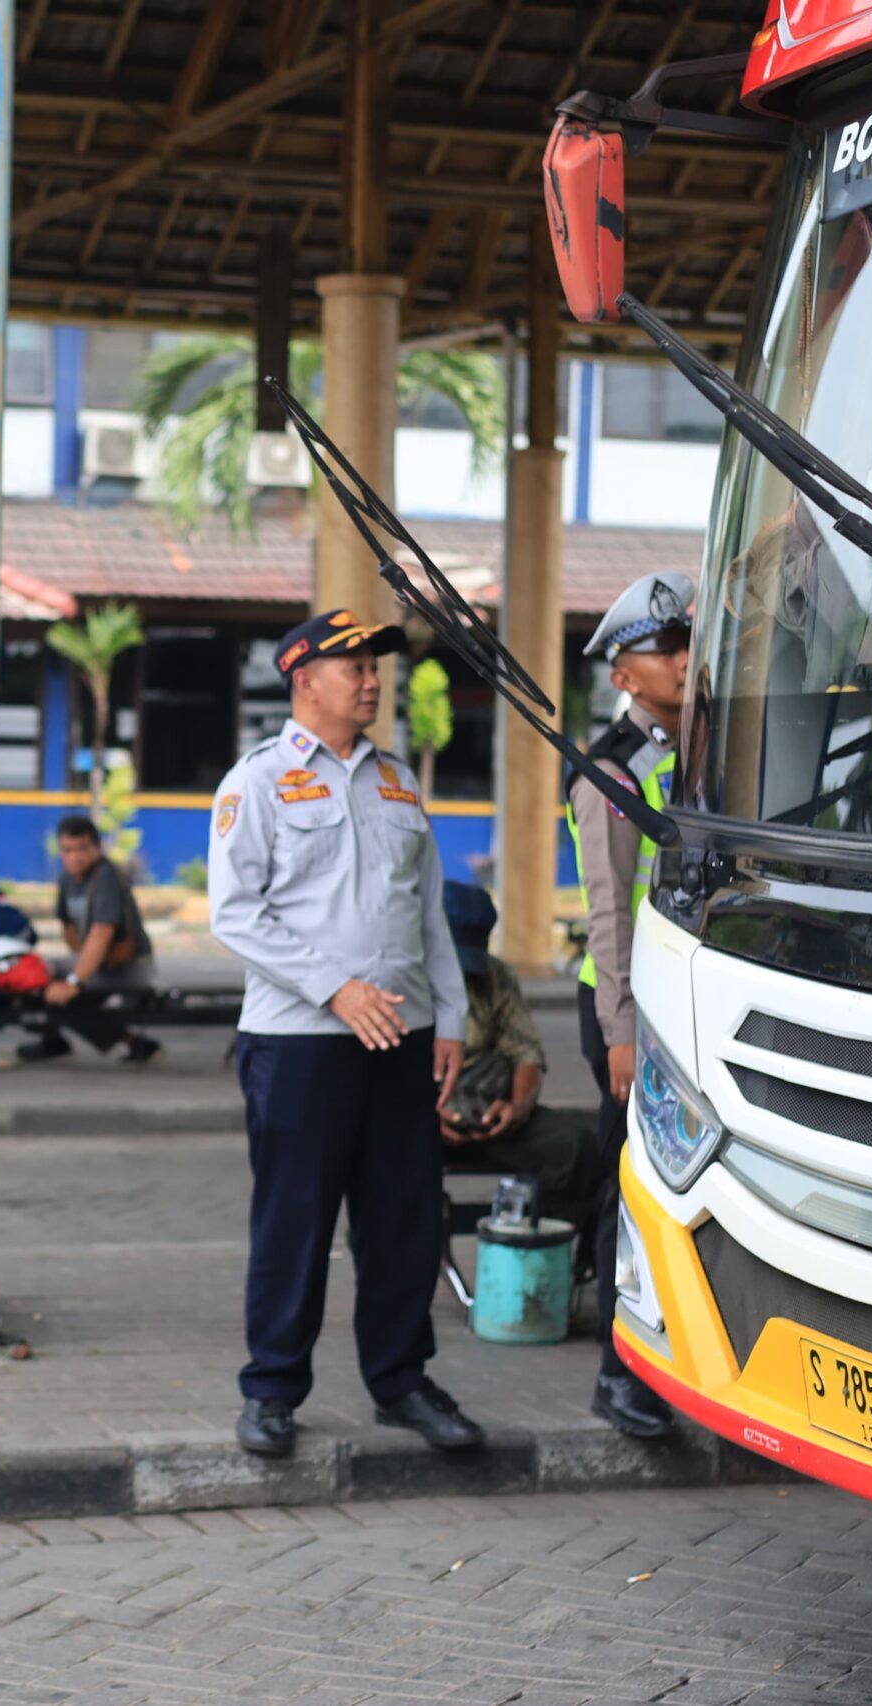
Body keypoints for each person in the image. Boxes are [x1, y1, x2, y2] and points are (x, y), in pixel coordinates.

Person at [207, 608, 480, 1459]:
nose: (370, 682)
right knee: (295, 1222)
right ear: (304, 681)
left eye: (374, 668)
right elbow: (233, 913)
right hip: (299, 1043)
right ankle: (273, 1390)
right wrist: (337, 989)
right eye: (353, 667)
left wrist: (451, 1019)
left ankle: (400, 1382)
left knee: (400, 1220)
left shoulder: (397, 782)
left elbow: (427, 914)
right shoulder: (255, 782)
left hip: (402, 1038)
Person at [571, 569, 692, 1440]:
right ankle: (621, 1376)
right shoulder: (610, 771)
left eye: (689, 643)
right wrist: (618, 1033)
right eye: (665, 650)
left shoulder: (711, 753)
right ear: (623, 674)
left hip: (686, 1003)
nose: (684, 660)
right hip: (626, 1011)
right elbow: (609, 912)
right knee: (636, 1190)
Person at [436, 882, 593, 1219]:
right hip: (423, 1118)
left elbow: (526, 1054)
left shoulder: (495, 976)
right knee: (386, 1155)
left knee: (576, 1148)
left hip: (487, 1109)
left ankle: (544, 1251)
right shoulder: (404, 978)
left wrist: (516, 1108)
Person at [18, 813, 161, 1066]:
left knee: (62, 990)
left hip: (130, 966)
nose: (75, 856)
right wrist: (79, 964)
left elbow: (102, 933)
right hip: (98, 964)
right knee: (38, 975)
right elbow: (68, 926)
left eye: (83, 849)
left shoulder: (105, 875)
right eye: (68, 850)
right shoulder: (67, 879)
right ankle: (129, 1043)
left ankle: (130, 1042)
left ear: (97, 847)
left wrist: (75, 980)